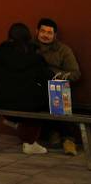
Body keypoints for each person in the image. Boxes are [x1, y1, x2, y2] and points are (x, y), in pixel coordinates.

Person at [0, 22, 50, 154]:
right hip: (29, 103)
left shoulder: (0, 53)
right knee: (43, 101)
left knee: (30, 101)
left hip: (3, 100)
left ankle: (17, 125)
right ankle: (30, 142)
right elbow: (46, 77)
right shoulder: (34, 56)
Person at [36, 17, 81, 155]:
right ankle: (54, 133)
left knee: (58, 97)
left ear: (55, 35)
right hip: (36, 88)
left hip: (57, 88)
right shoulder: (31, 48)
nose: (45, 35)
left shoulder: (63, 50)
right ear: (37, 32)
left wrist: (55, 76)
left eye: (49, 33)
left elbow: (75, 73)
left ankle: (68, 139)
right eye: (42, 31)